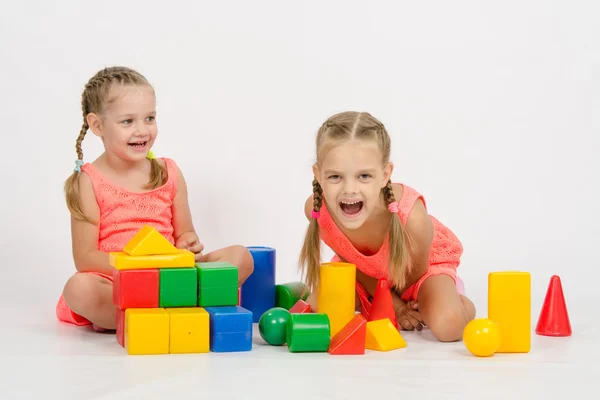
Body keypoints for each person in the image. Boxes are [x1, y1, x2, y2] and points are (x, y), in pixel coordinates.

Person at [56, 66, 254, 331]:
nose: (142, 130)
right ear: (97, 125)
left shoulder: (168, 172)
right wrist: (139, 266)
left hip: (170, 276)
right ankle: (157, 314)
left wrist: (188, 245)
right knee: (79, 289)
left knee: (241, 256)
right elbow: (85, 257)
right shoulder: (88, 181)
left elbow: (185, 235)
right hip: (118, 279)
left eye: (149, 118)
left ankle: (148, 312)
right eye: (128, 121)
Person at [298, 111, 475, 342]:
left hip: (416, 273)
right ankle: (376, 301)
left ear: (384, 175)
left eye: (363, 176)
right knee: (319, 309)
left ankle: (456, 297)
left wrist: (405, 306)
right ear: (318, 174)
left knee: (448, 326)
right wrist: (394, 307)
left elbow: (412, 281)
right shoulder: (317, 211)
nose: (349, 189)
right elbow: (354, 265)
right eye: (335, 177)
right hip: (367, 276)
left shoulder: (413, 220)